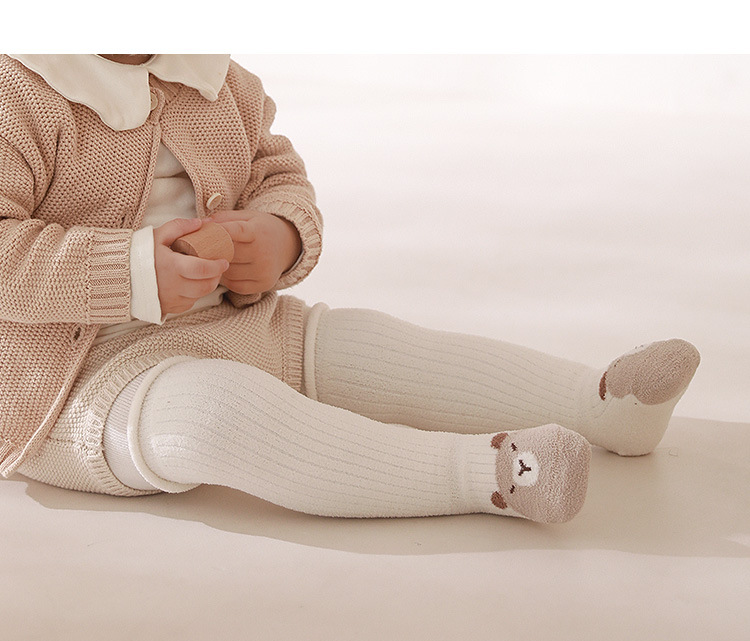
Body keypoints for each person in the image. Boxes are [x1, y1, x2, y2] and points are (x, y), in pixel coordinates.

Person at [0, 54, 700, 524]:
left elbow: (277, 175)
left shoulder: (214, 79)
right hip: (75, 378)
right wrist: (128, 270)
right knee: (216, 417)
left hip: (240, 323)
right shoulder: (19, 92)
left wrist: (277, 236)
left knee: (372, 345)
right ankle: (491, 473)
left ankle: (603, 405)